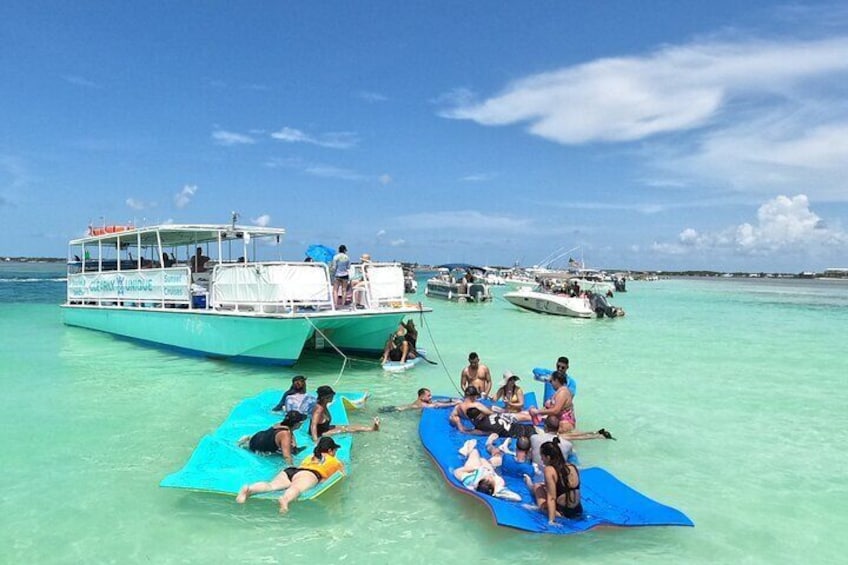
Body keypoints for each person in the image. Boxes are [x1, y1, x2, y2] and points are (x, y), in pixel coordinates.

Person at [235, 436, 345, 514]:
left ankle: (249, 489)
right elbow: (340, 476)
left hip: (291, 471)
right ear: (330, 450)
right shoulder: (335, 461)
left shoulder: (310, 456)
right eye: (335, 450)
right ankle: (285, 500)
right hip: (309, 474)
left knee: (271, 485)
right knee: (296, 488)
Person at [524, 437, 583, 523]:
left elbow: (552, 498)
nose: (541, 459)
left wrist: (551, 521)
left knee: (538, 488)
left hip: (562, 513)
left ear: (548, 457)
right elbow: (567, 486)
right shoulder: (572, 466)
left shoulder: (549, 470)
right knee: (544, 486)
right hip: (577, 511)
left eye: (542, 456)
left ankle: (537, 504)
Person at [309, 385, 380, 442]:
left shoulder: (323, 404)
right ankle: (372, 429)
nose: (333, 397)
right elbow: (313, 425)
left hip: (325, 428)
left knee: (347, 426)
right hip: (321, 433)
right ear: (325, 397)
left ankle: (371, 428)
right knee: (345, 429)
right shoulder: (319, 409)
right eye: (331, 395)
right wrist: (315, 440)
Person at [237, 411, 307, 465]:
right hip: (258, 449)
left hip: (257, 437)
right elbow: (287, 456)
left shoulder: (280, 424)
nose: (302, 423)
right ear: (297, 424)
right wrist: (291, 468)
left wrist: (294, 447)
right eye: (301, 422)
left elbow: (291, 433)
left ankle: (247, 439)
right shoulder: (285, 434)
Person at [465, 406, 537, 439]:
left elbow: (478, 432)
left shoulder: (483, 427)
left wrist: (466, 431)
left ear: (472, 420)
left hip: (523, 435)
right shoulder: (490, 415)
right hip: (528, 427)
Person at [380, 388, 459, 412]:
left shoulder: (422, 401)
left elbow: (436, 401)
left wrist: (451, 399)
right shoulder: (422, 404)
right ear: (421, 397)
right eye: (429, 396)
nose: (431, 397)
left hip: (397, 408)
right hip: (396, 411)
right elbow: (436, 405)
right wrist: (454, 404)